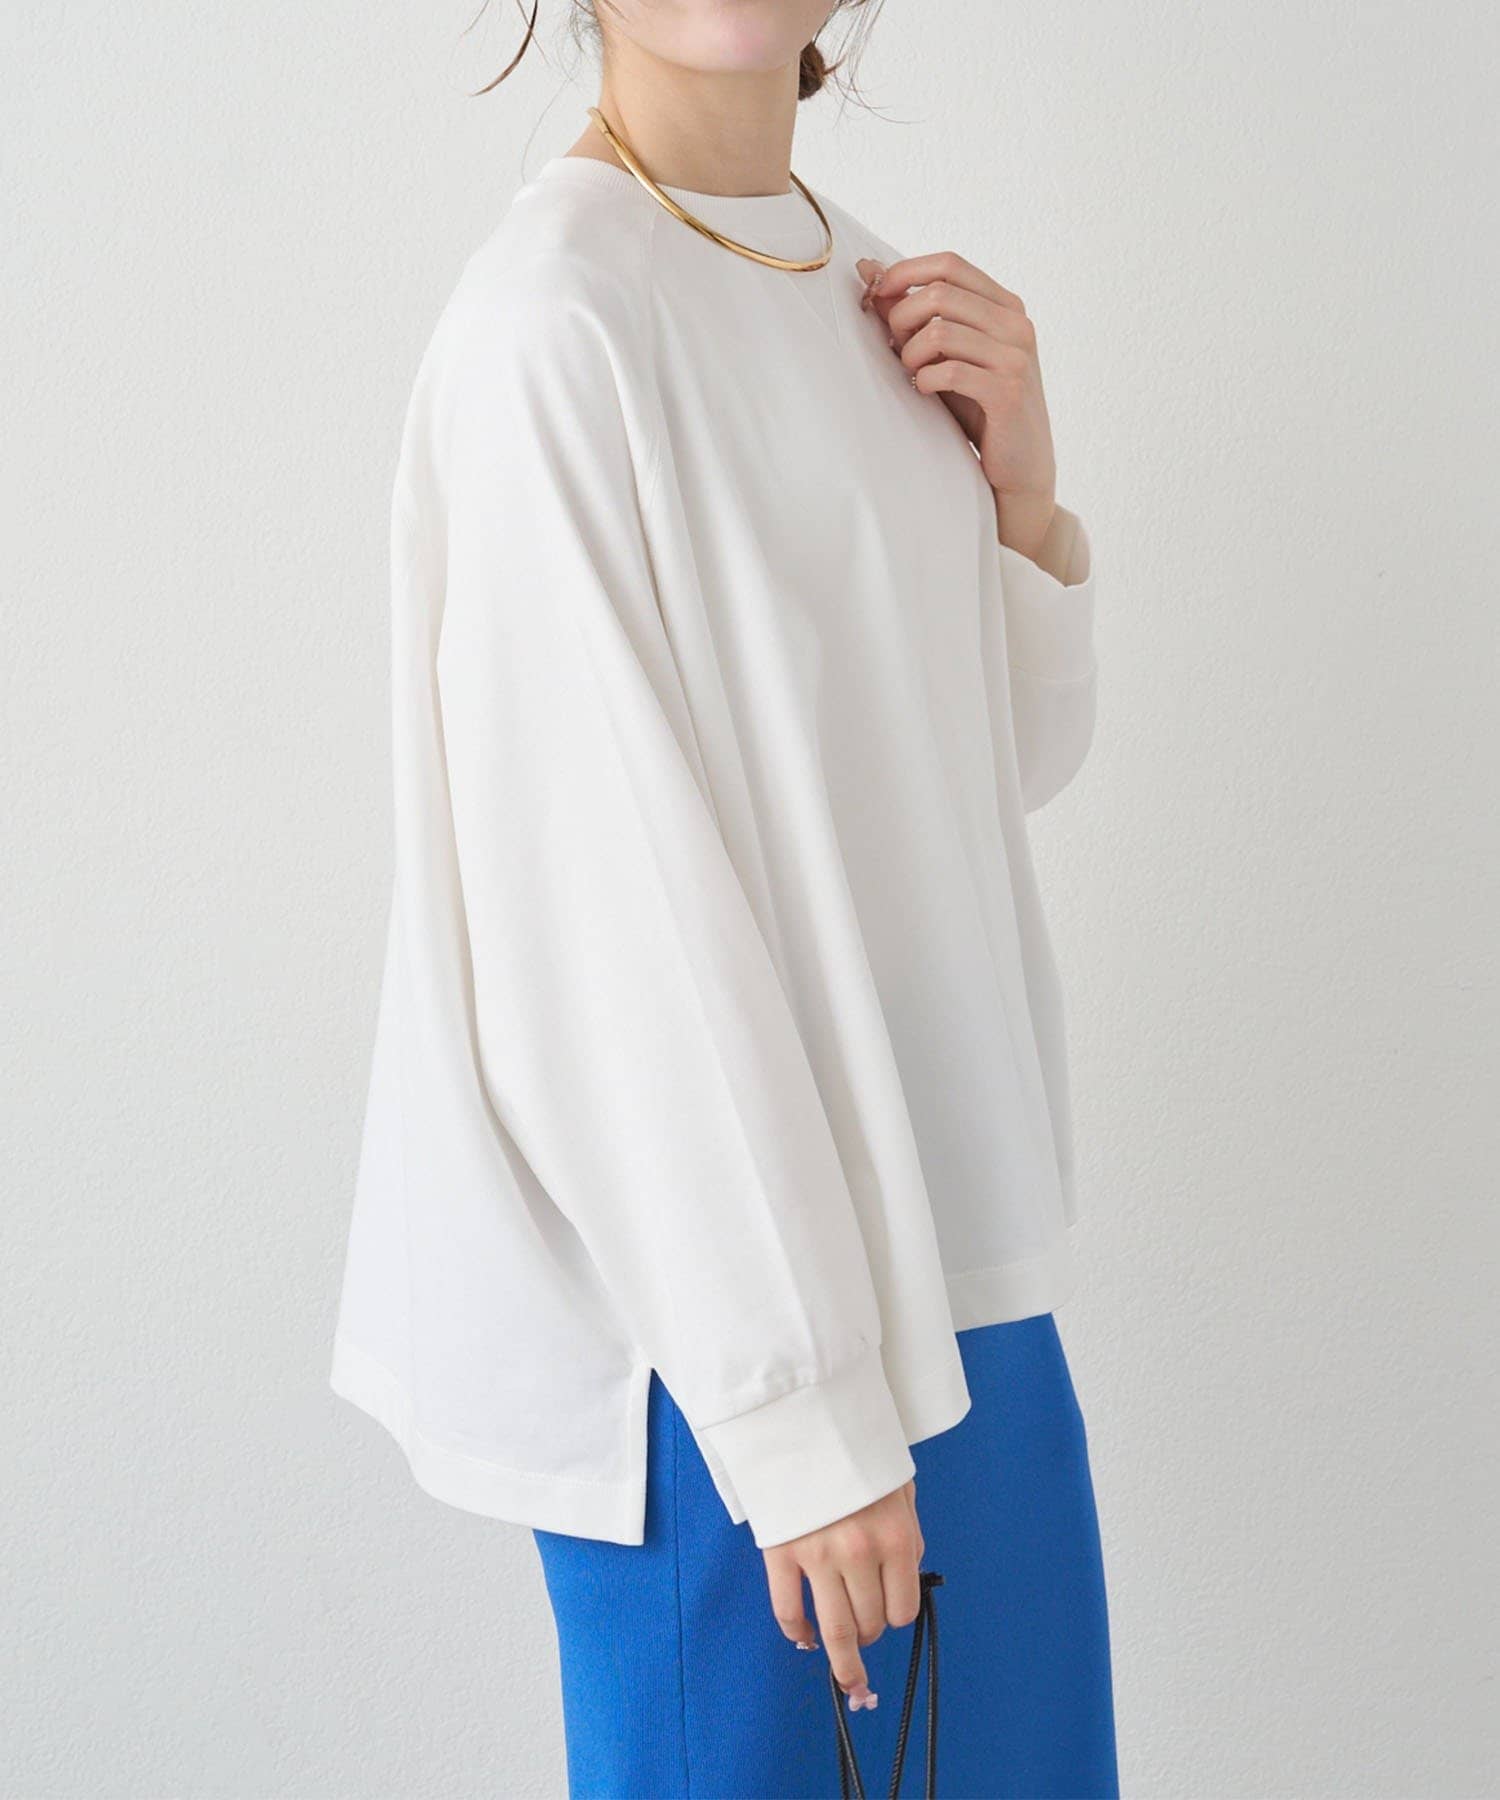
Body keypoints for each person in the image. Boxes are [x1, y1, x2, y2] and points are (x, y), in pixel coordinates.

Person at [330, 2, 1119, 1792]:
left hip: (968, 1285)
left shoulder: (872, 289)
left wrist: (1023, 503)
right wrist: (799, 1413)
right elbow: (590, 924)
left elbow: (978, 786)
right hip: (722, 1350)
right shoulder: (555, 324)